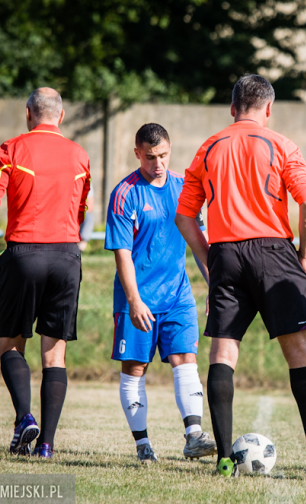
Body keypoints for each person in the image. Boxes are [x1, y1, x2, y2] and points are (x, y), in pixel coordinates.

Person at [175, 74, 306, 479]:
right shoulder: (282, 145)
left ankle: (224, 459)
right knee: (299, 354)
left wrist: (209, 260)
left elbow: (184, 216)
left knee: (223, 353)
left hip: (226, 254)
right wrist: (303, 259)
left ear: (233, 107)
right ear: (269, 109)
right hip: (275, 253)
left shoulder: (207, 148)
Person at [0, 87, 91, 459]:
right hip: (66, 256)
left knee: (10, 343)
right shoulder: (80, 155)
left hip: (24, 254)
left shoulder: (12, 149)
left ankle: (25, 418)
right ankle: (47, 445)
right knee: (54, 357)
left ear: (28, 113)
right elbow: (81, 210)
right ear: (61, 116)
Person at [105, 123, 217, 463]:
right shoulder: (125, 193)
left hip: (178, 296)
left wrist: (215, 286)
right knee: (135, 368)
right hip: (137, 298)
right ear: (137, 153)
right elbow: (122, 253)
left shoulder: (184, 188)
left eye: (164, 155)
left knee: (187, 360)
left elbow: (199, 245)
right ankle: (142, 445)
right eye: (151, 157)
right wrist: (134, 300)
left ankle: (194, 435)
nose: (158, 164)